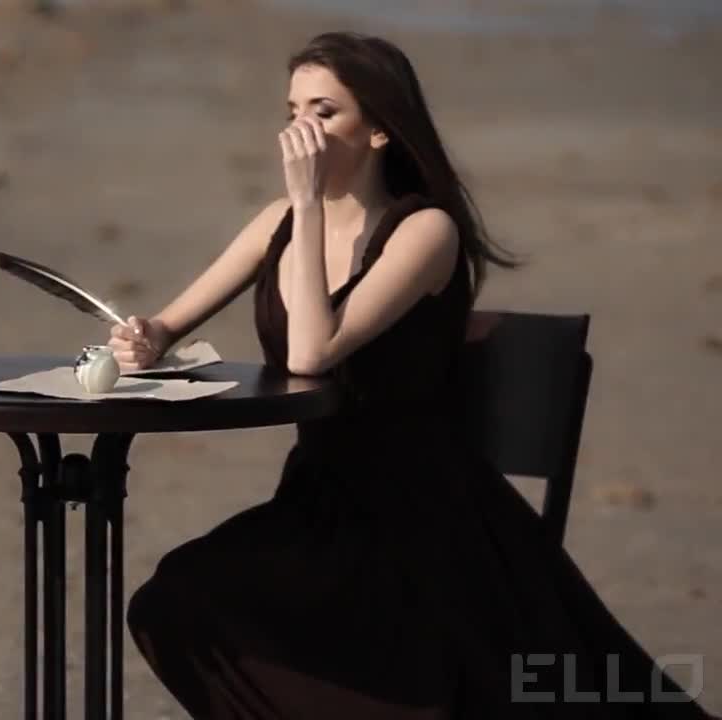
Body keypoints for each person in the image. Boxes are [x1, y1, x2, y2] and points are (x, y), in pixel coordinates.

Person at [106, 31, 718, 719]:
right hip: (317, 501)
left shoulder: (424, 232)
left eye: (324, 112)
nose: (300, 131)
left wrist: (308, 205)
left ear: (378, 130)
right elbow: (166, 324)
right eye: (292, 111)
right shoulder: (275, 223)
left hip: (419, 515)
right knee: (175, 604)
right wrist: (144, 338)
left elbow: (311, 353)